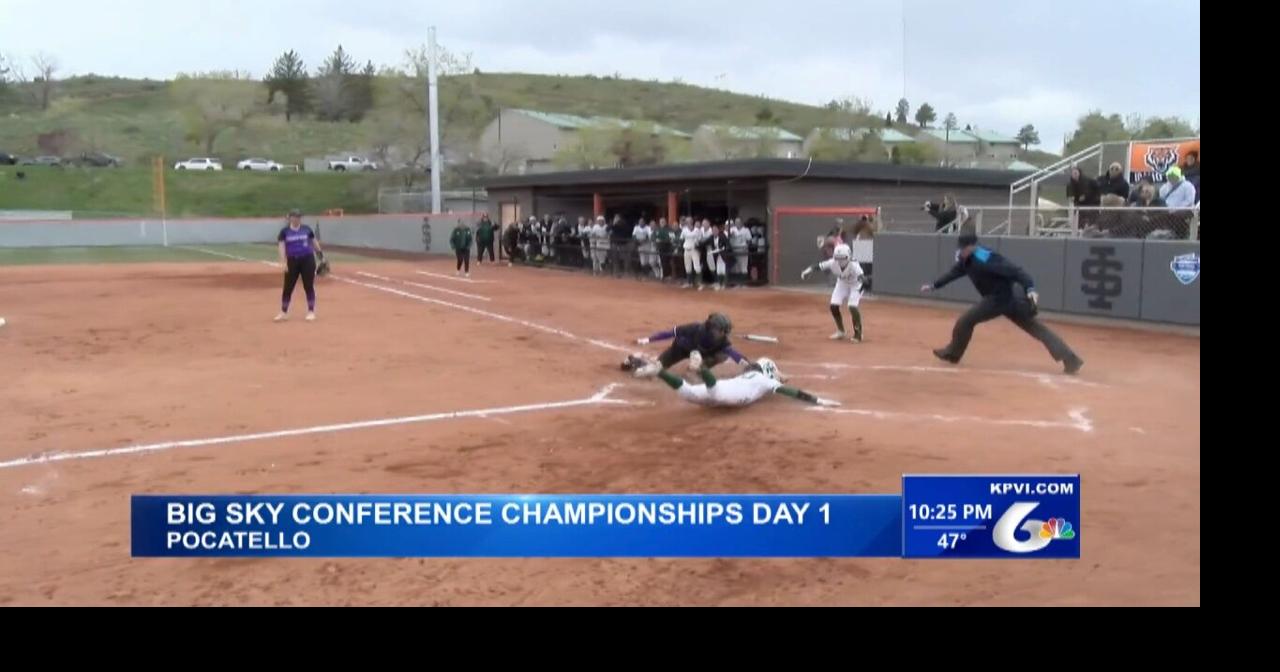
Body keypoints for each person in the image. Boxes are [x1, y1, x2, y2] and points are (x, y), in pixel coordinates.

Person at [921, 233, 1084, 374]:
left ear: (972, 246)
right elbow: (953, 273)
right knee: (1036, 329)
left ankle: (953, 354)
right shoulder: (966, 260)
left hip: (1000, 298)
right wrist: (934, 285)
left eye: (963, 248)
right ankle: (1071, 360)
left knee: (965, 321)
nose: (960, 251)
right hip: (1006, 299)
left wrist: (1030, 288)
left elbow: (1016, 271)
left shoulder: (986, 258)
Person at [648, 355, 839, 408]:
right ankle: (701, 368)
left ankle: (660, 372)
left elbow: (781, 381)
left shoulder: (752, 376)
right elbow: (792, 392)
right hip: (728, 396)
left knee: (688, 392)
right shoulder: (764, 380)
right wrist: (818, 400)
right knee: (714, 391)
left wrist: (780, 376)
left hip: (723, 391)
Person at [624, 312, 749, 377]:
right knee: (654, 371)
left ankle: (700, 371)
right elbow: (670, 333)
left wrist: (750, 366)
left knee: (722, 355)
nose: (724, 333)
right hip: (680, 349)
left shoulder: (722, 340)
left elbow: (735, 355)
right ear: (712, 328)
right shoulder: (693, 328)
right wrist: (647, 340)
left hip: (701, 354)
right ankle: (635, 362)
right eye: (722, 330)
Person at [800, 243, 866, 342]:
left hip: (855, 285)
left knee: (852, 306)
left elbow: (861, 275)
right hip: (842, 284)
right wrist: (808, 270)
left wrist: (863, 280)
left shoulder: (854, 264)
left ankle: (858, 334)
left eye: (843, 258)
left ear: (849, 256)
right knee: (834, 306)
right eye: (837, 258)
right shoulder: (832, 263)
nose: (840, 261)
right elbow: (818, 266)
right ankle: (841, 331)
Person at [275, 208, 323, 322]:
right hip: (292, 261)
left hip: (307, 260)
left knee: (308, 285)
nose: (297, 219)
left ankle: (311, 311)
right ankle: (283, 312)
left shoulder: (307, 229)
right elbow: (282, 247)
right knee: (288, 287)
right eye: (294, 216)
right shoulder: (284, 232)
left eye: (299, 217)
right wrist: (283, 262)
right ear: (290, 218)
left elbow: (314, 242)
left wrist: (321, 256)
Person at [680, 217, 703, 289]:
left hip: (694, 250)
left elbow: (700, 239)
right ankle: (689, 283)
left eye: (689, 221)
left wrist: (697, 243)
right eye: (687, 221)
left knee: (697, 266)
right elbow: (681, 238)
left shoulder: (697, 230)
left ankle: (700, 283)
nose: (688, 222)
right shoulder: (684, 230)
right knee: (688, 267)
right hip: (686, 249)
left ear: (692, 221)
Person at [707, 222, 730, 291]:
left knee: (723, 270)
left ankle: (724, 284)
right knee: (718, 270)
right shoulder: (711, 237)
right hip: (717, 256)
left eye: (715, 230)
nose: (714, 231)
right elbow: (705, 242)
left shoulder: (722, 235)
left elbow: (727, 245)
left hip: (723, 255)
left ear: (718, 230)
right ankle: (719, 284)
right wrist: (698, 244)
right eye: (713, 230)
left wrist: (723, 249)